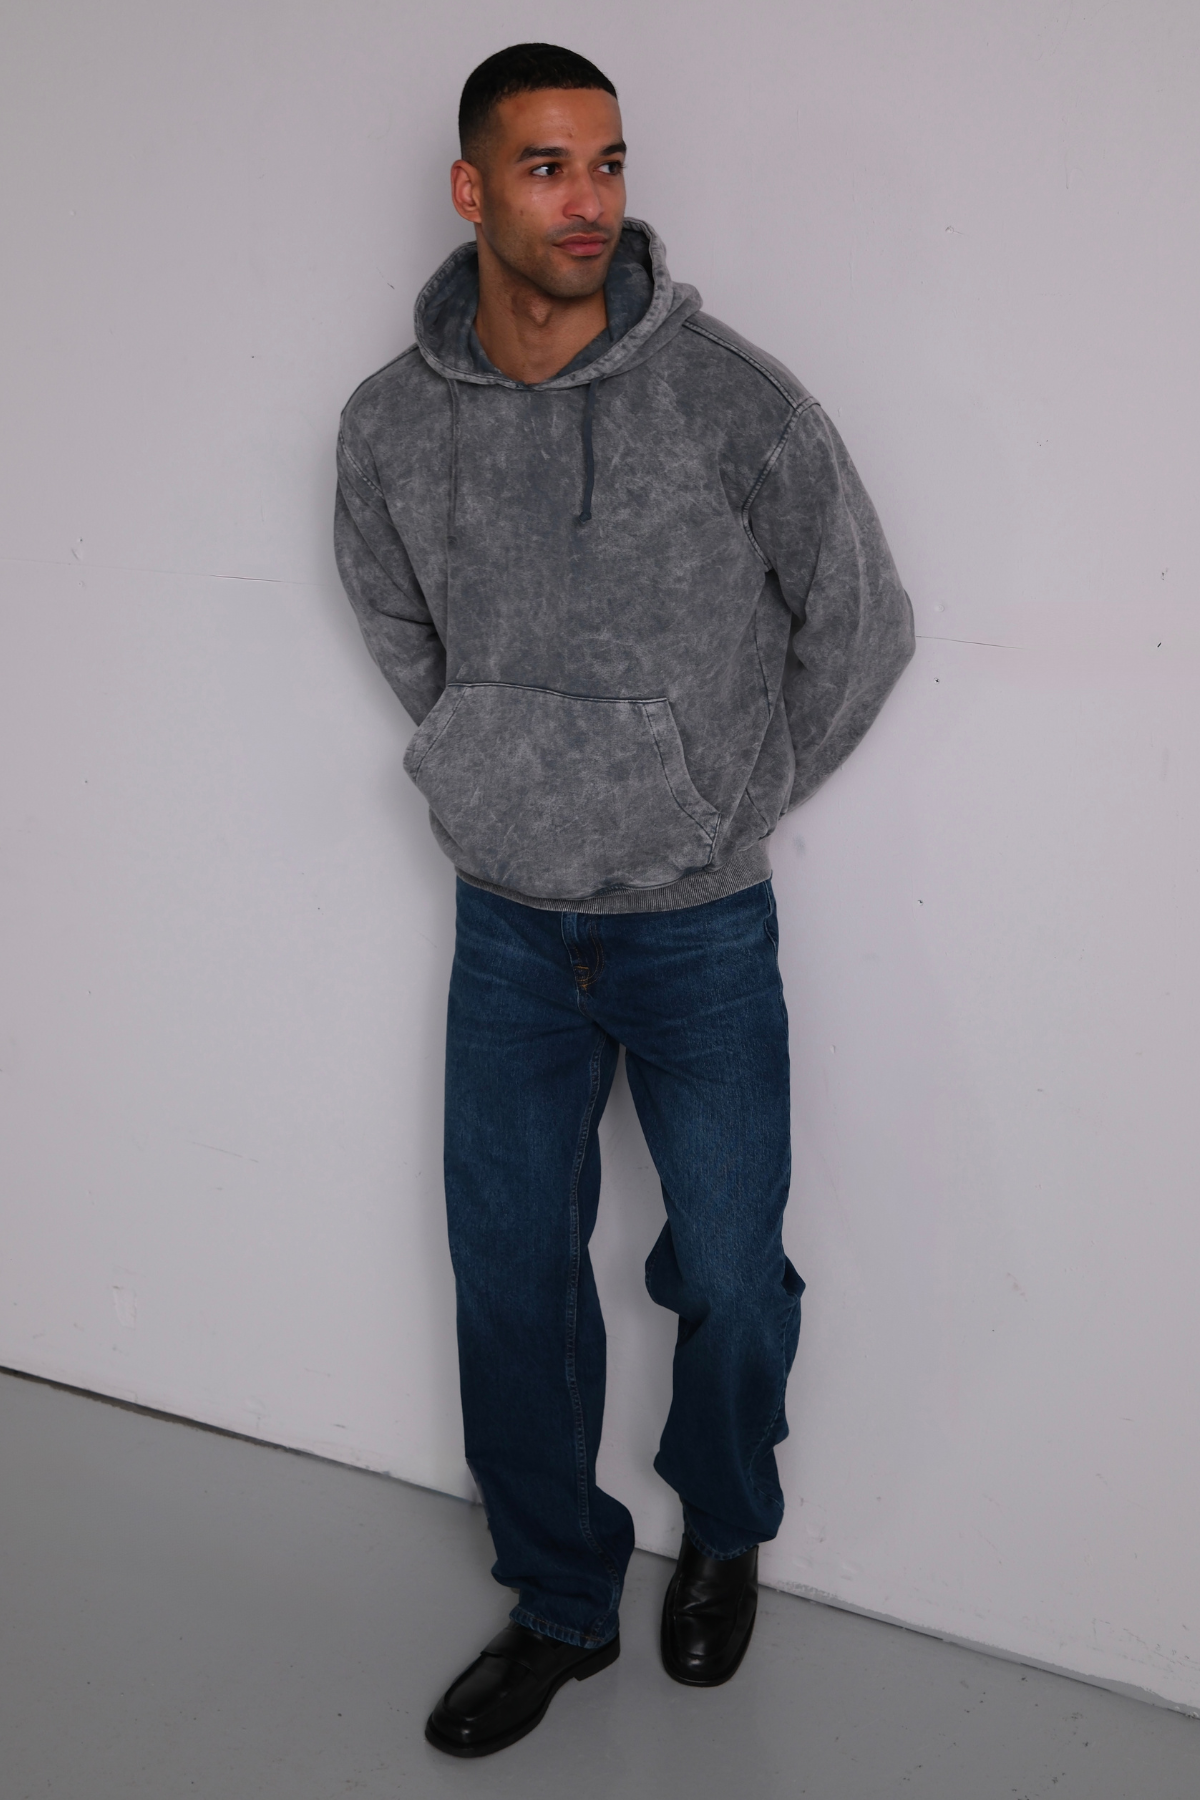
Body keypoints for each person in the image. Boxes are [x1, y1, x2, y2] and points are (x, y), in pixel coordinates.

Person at [335, 42, 913, 1758]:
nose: (586, 201)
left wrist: (718, 806)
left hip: (698, 927)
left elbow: (863, 623)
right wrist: (490, 764)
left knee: (728, 1269)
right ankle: (561, 1601)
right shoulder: (390, 423)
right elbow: (395, 618)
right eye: (545, 167)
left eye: (606, 163)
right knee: (511, 1277)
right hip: (508, 926)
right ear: (472, 189)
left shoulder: (734, 402)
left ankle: (724, 1522)